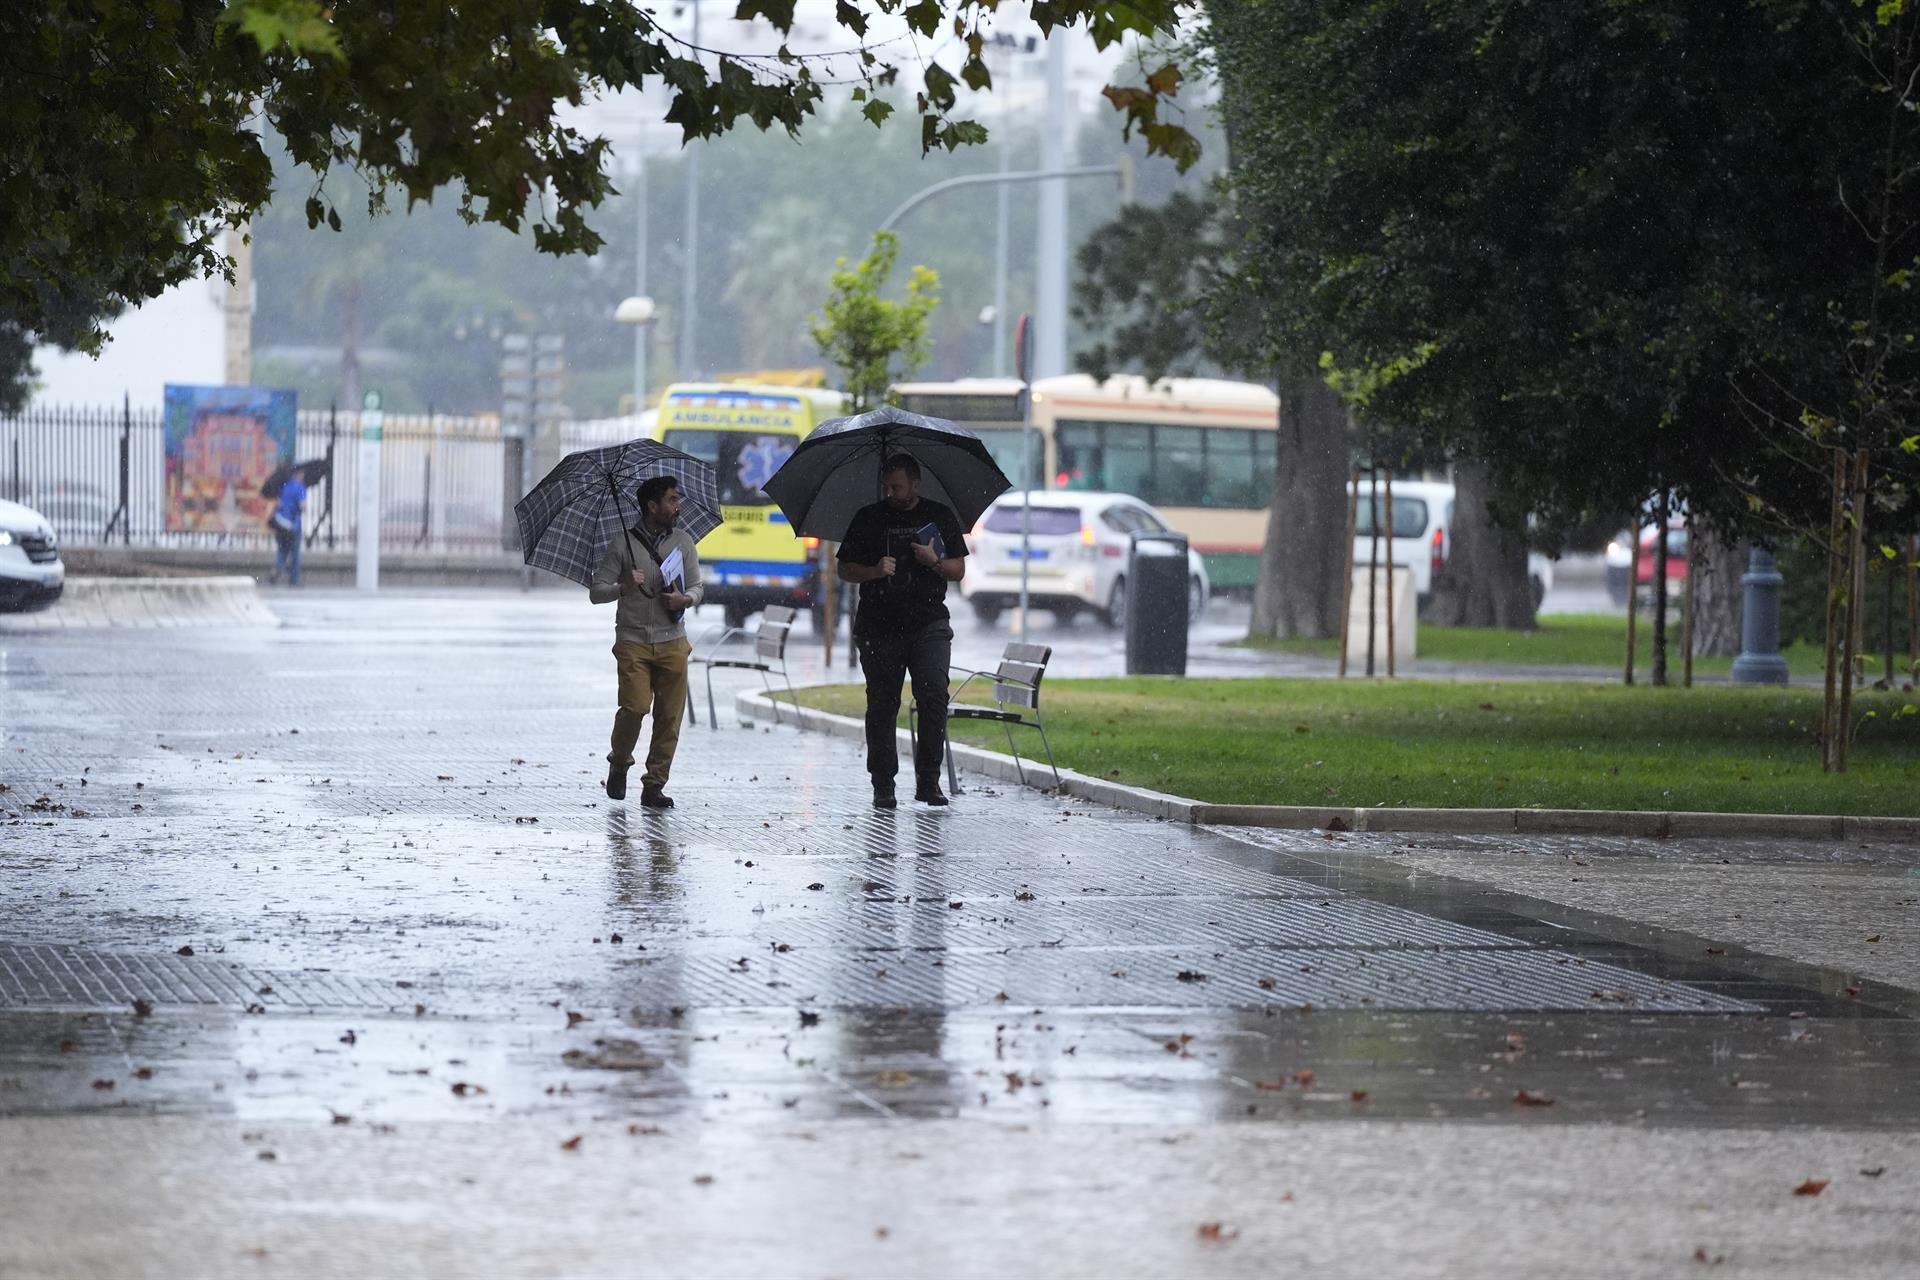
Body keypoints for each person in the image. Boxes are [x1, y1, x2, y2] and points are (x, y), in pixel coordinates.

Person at [837, 453, 968, 808]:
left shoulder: (938, 516)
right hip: (879, 627)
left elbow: (958, 570)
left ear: (915, 484)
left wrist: (934, 561)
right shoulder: (868, 518)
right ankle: (883, 784)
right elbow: (844, 569)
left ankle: (929, 780)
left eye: (898, 485)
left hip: (929, 623)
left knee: (933, 695)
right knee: (882, 705)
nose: (891, 492)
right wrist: (874, 571)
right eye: (887, 486)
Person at [589, 474, 703, 809]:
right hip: (633, 640)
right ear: (651, 506)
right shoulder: (622, 543)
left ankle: (654, 784)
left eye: (677, 499)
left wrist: (686, 600)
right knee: (635, 707)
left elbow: (697, 586)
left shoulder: (683, 541)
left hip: (673, 641)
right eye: (671, 499)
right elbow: (597, 593)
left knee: (670, 717)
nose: (677, 505)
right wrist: (622, 585)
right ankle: (619, 761)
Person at [267, 469, 307, 586]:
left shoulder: (285, 486)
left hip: (280, 523)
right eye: (302, 473)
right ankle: (294, 580)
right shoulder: (300, 487)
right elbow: (302, 505)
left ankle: (277, 569)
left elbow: (279, 503)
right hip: (293, 525)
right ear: (299, 474)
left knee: (283, 550)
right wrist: (302, 508)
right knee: (295, 553)